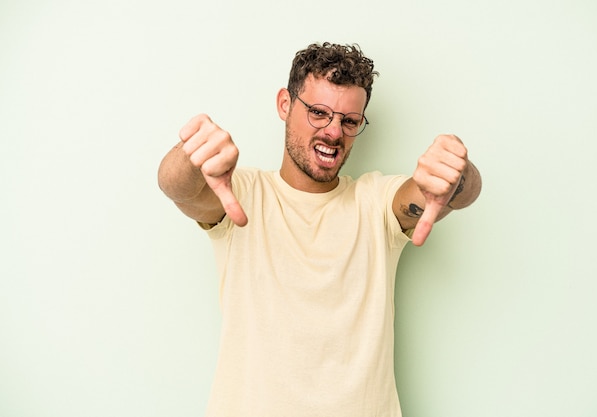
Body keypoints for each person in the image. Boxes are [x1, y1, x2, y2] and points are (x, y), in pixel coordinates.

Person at [158, 42, 481, 417]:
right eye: (318, 113)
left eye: (349, 121)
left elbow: (446, 194)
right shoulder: (239, 195)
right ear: (285, 104)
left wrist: (458, 173)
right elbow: (176, 187)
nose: (333, 132)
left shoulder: (376, 202)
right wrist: (190, 155)